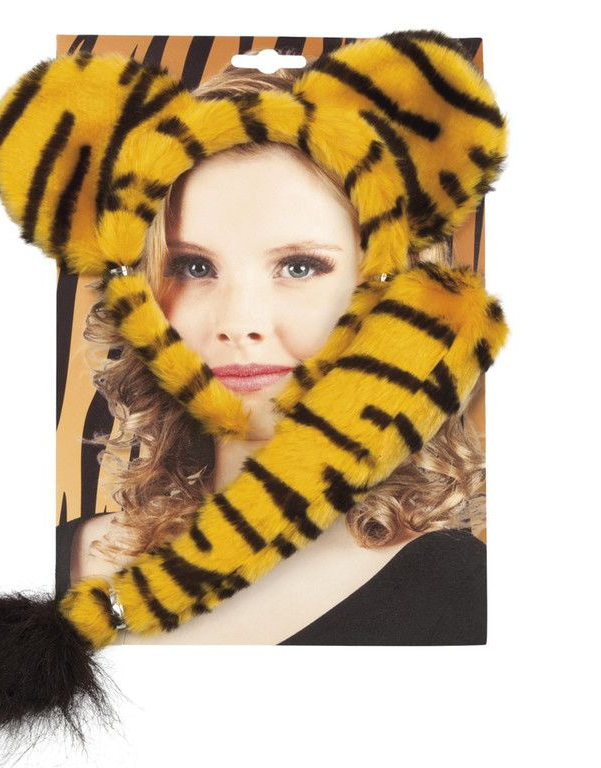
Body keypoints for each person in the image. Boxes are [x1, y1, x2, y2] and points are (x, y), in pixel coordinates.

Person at [69, 63, 487, 645]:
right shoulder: (54, 561)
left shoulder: (464, 599)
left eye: (299, 267)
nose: (238, 323)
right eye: (194, 267)